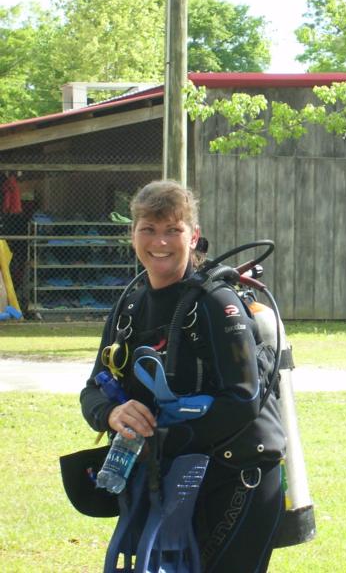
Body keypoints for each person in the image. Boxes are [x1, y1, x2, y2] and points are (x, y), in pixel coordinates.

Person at [79, 180, 285, 572]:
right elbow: (94, 388)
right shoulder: (130, 304)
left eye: (173, 230)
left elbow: (242, 399)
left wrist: (158, 436)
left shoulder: (215, 302)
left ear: (194, 236)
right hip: (167, 478)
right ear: (133, 234)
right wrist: (111, 414)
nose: (160, 242)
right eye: (149, 229)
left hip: (236, 476)